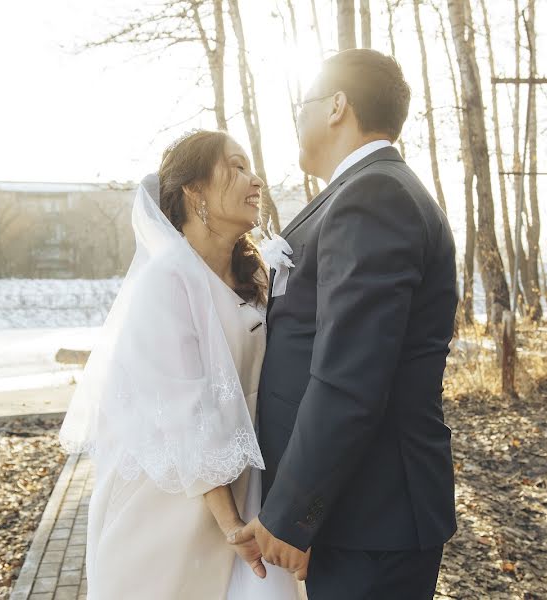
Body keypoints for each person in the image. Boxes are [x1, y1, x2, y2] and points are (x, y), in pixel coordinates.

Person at [233, 49, 459, 599]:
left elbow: (350, 376)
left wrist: (292, 512)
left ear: (337, 106)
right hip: (356, 510)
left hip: (373, 512)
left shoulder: (374, 197)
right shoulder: (357, 193)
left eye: (303, 104)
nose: (298, 120)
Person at [59, 130, 300, 599]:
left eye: (251, 167)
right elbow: (185, 411)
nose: (255, 181)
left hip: (248, 484)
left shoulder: (256, 277)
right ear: (194, 190)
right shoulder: (166, 280)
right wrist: (232, 526)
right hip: (169, 504)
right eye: (236, 166)